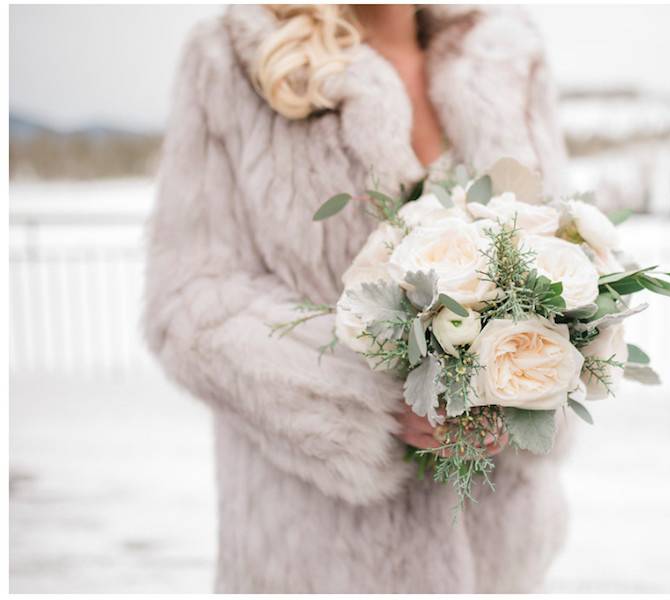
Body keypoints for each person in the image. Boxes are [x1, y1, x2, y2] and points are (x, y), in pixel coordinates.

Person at [143, 4, 571, 593]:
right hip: (319, 551)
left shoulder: (507, 54)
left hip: (501, 550)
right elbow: (188, 300)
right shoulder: (232, 57)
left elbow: (565, 253)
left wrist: (523, 385)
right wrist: (369, 397)